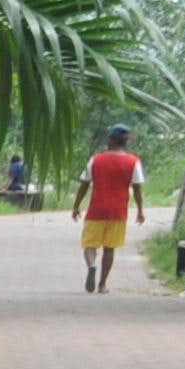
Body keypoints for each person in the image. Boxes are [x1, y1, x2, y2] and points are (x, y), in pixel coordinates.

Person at [80, 123, 146, 294]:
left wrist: (76, 206)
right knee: (110, 248)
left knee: (89, 245)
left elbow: (84, 184)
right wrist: (140, 210)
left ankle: (92, 265)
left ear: (110, 140)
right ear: (125, 142)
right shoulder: (133, 162)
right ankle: (102, 285)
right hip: (118, 212)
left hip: (96, 210)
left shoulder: (96, 159)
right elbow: (137, 188)